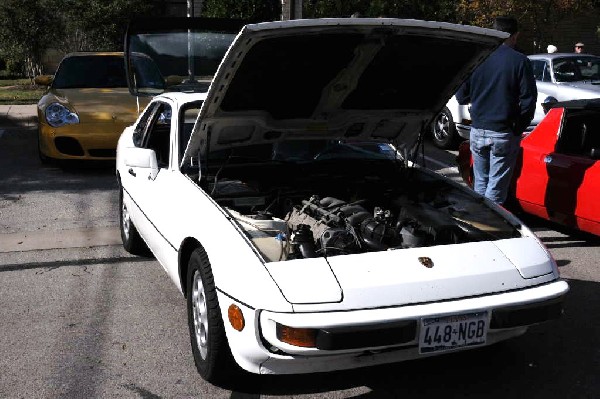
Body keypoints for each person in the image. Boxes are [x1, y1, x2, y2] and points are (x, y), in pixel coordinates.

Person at [456, 16, 537, 205]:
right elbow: (528, 100)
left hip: (477, 130)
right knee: (496, 188)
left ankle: (480, 225)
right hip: (502, 131)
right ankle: (489, 230)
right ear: (514, 35)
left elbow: (461, 96)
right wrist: (518, 127)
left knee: (481, 183)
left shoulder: (478, 57)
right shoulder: (519, 61)